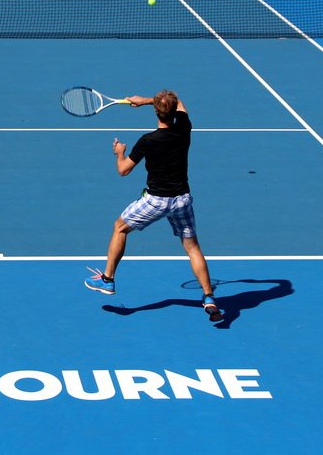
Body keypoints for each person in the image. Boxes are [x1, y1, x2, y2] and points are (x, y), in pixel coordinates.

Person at [84, 89, 223, 322]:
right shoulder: (184, 129)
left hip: (156, 201)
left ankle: (107, 280)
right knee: (193, 248)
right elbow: (178, 100)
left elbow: (123, 170)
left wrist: (120, 153)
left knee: (120, 227)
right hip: (182, 200)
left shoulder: (147, 141)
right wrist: (149, 101)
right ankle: (209, 297)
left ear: (157, 112)